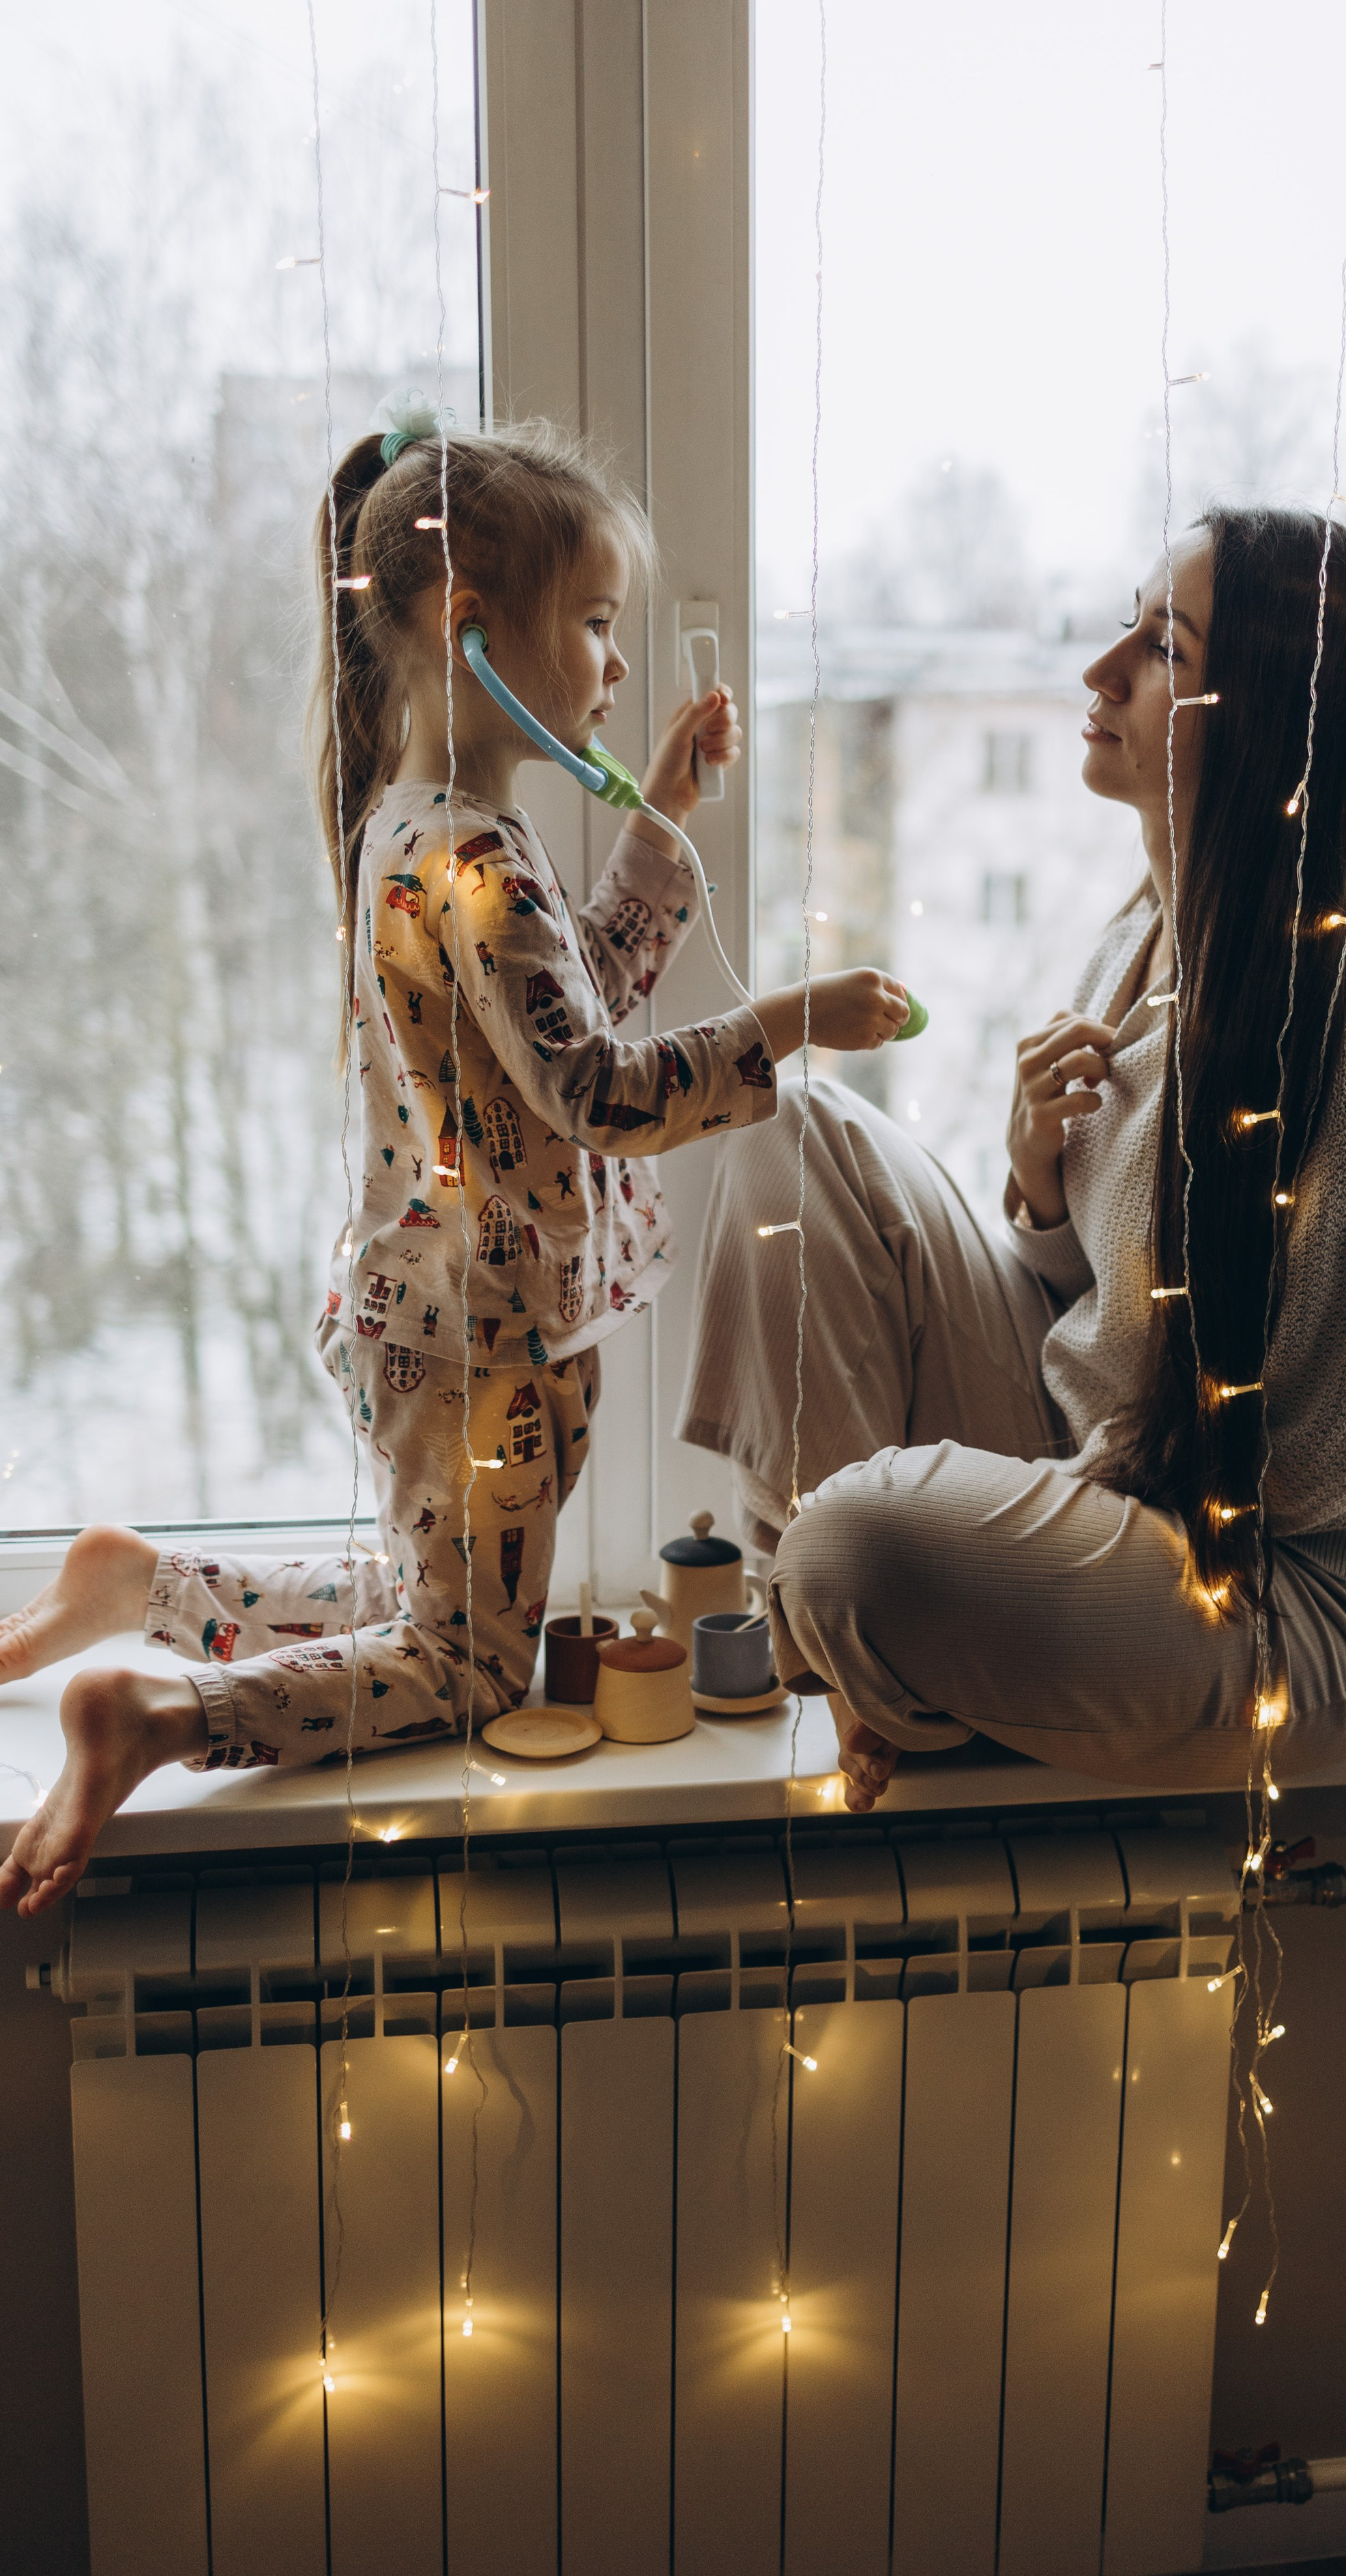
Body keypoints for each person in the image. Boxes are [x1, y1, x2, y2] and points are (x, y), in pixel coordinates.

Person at [0, 414, 911, 1916]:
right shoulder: (476, 862)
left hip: (445, 1322)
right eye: (595, 623)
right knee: (473, 1666)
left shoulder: (420, 829)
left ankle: (141, 1588)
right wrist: (789, 1026)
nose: (615, 662)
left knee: (430, 1604)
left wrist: (662, 816)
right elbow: (598, 1092)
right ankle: (156, 1716)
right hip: (478, 1345)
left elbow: (562, 1019)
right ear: (473, 629)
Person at [679, 505, 1346, 1811]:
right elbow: (1110, 1295)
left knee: (856, 1541)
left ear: (1264, 720)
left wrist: (1056, 1498)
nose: (1101, 670)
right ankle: (862, 1650)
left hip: (1274, 1583)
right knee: (788, 1128)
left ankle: (866, 1631)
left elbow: (1333, 1445)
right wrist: (1034, 1177)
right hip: (1120, 1458)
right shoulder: (1149, 933)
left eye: (1164, 649)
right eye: (1128, 628)